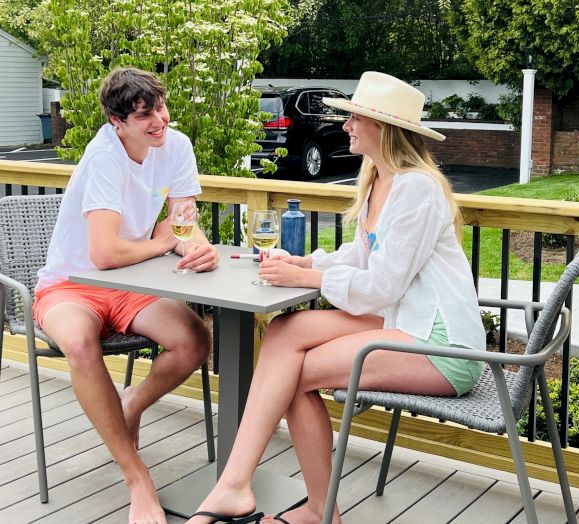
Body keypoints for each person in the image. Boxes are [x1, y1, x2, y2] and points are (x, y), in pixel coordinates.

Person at [188, 71, 486, 524]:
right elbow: (361, 255)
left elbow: (381, 287)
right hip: (404, 319)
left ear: (381, 128)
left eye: (353, 119)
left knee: (294, 374)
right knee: (286, 332)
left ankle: (309, 508)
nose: (345, 126)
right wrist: (305, 263)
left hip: (443, 344)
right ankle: (240, 485)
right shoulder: (377, 180)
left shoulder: (417, 188)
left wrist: (300, 281)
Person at [34, 67, 218, 524]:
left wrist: (193, 243)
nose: (160, 120)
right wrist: (164, 242)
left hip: (129, 283)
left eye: (161, 106)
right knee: (79, 342)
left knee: (194, 340)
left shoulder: (176, 146)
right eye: (144, 115)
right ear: (118, 122)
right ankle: (138, 478)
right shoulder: (104, 157)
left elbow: (181, 220)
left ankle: (128, 404)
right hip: (71, 283)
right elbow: (103, 253)